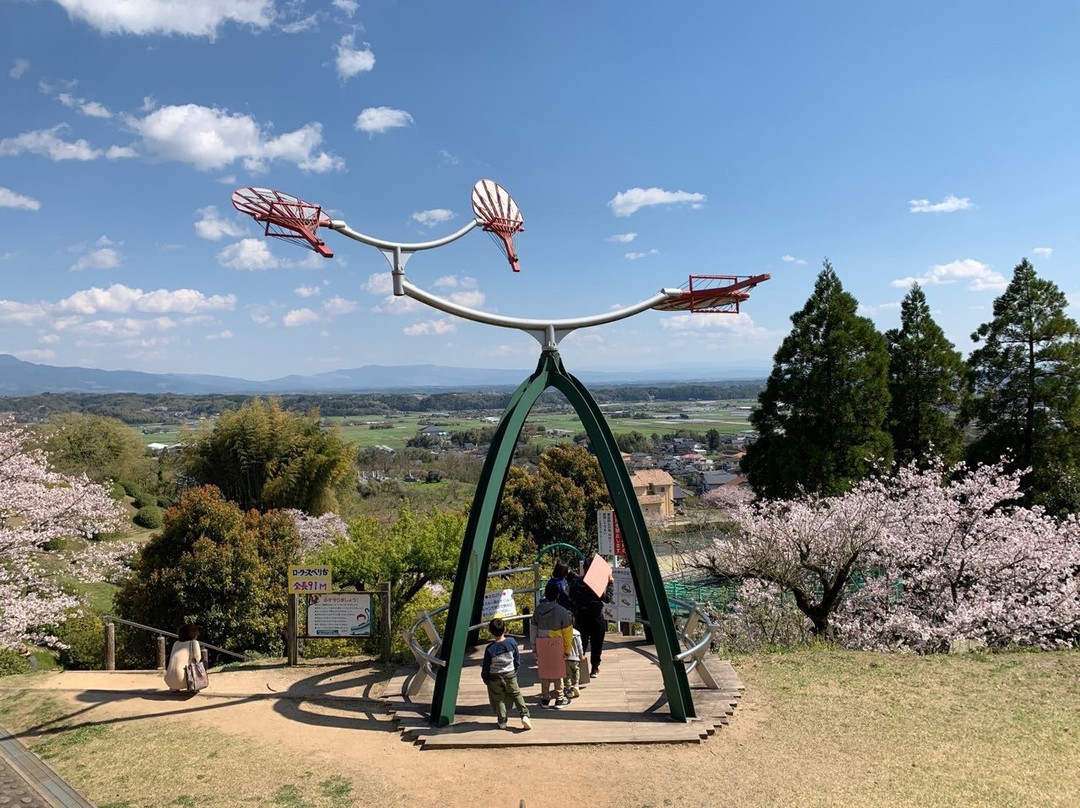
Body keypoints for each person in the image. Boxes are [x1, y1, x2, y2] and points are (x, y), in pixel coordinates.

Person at [481, 618, 532, 731]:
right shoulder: (512, 642)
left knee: (499, 699)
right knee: (516, 694)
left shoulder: (490, 649)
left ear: (490, 631)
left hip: (495, 677)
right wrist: (515, 670)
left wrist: (485, 678)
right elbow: (517, 658)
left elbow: (486, 666)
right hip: (510, 674)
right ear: (505, 629)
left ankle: (502, 721)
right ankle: (524, 715)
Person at [530, 579, 573, 708]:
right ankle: (559, 698)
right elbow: (567, 632)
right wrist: (567, 649)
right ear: (558, 595)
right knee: (558, 672)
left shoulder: (538, 610)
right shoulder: (562, 611)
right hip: (557, 644)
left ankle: (545, 698)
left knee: (544, 672)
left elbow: (533, 629)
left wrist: (534, 647)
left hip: (542, 644)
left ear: (545, 595)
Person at [570, 554, 614, 677]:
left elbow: (571, 598)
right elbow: (607, 598)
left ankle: (578, 669)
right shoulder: (596, 583)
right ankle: (595, 668)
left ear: (584, 568)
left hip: (581, 617)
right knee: (597, 642)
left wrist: (576, 610)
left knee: (580, 644)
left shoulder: (576, 582)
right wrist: (610, 583)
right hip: (596, 617)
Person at [164, 624, 202, 692]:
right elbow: (198, 659)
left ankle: (175, 687)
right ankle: (194, 686)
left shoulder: (176, 643)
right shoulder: (194, 643)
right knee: (203, 663)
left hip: (169, 681)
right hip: (184, 681)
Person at [564, 617, 583, 699]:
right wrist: (581, 655)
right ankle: (576, 684)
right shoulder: (577, 633)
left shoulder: (563, 633)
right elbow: (579, 646)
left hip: (566, 657)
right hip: (575, 657)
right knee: (576, 670)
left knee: (567, 674)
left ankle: (568, 689)